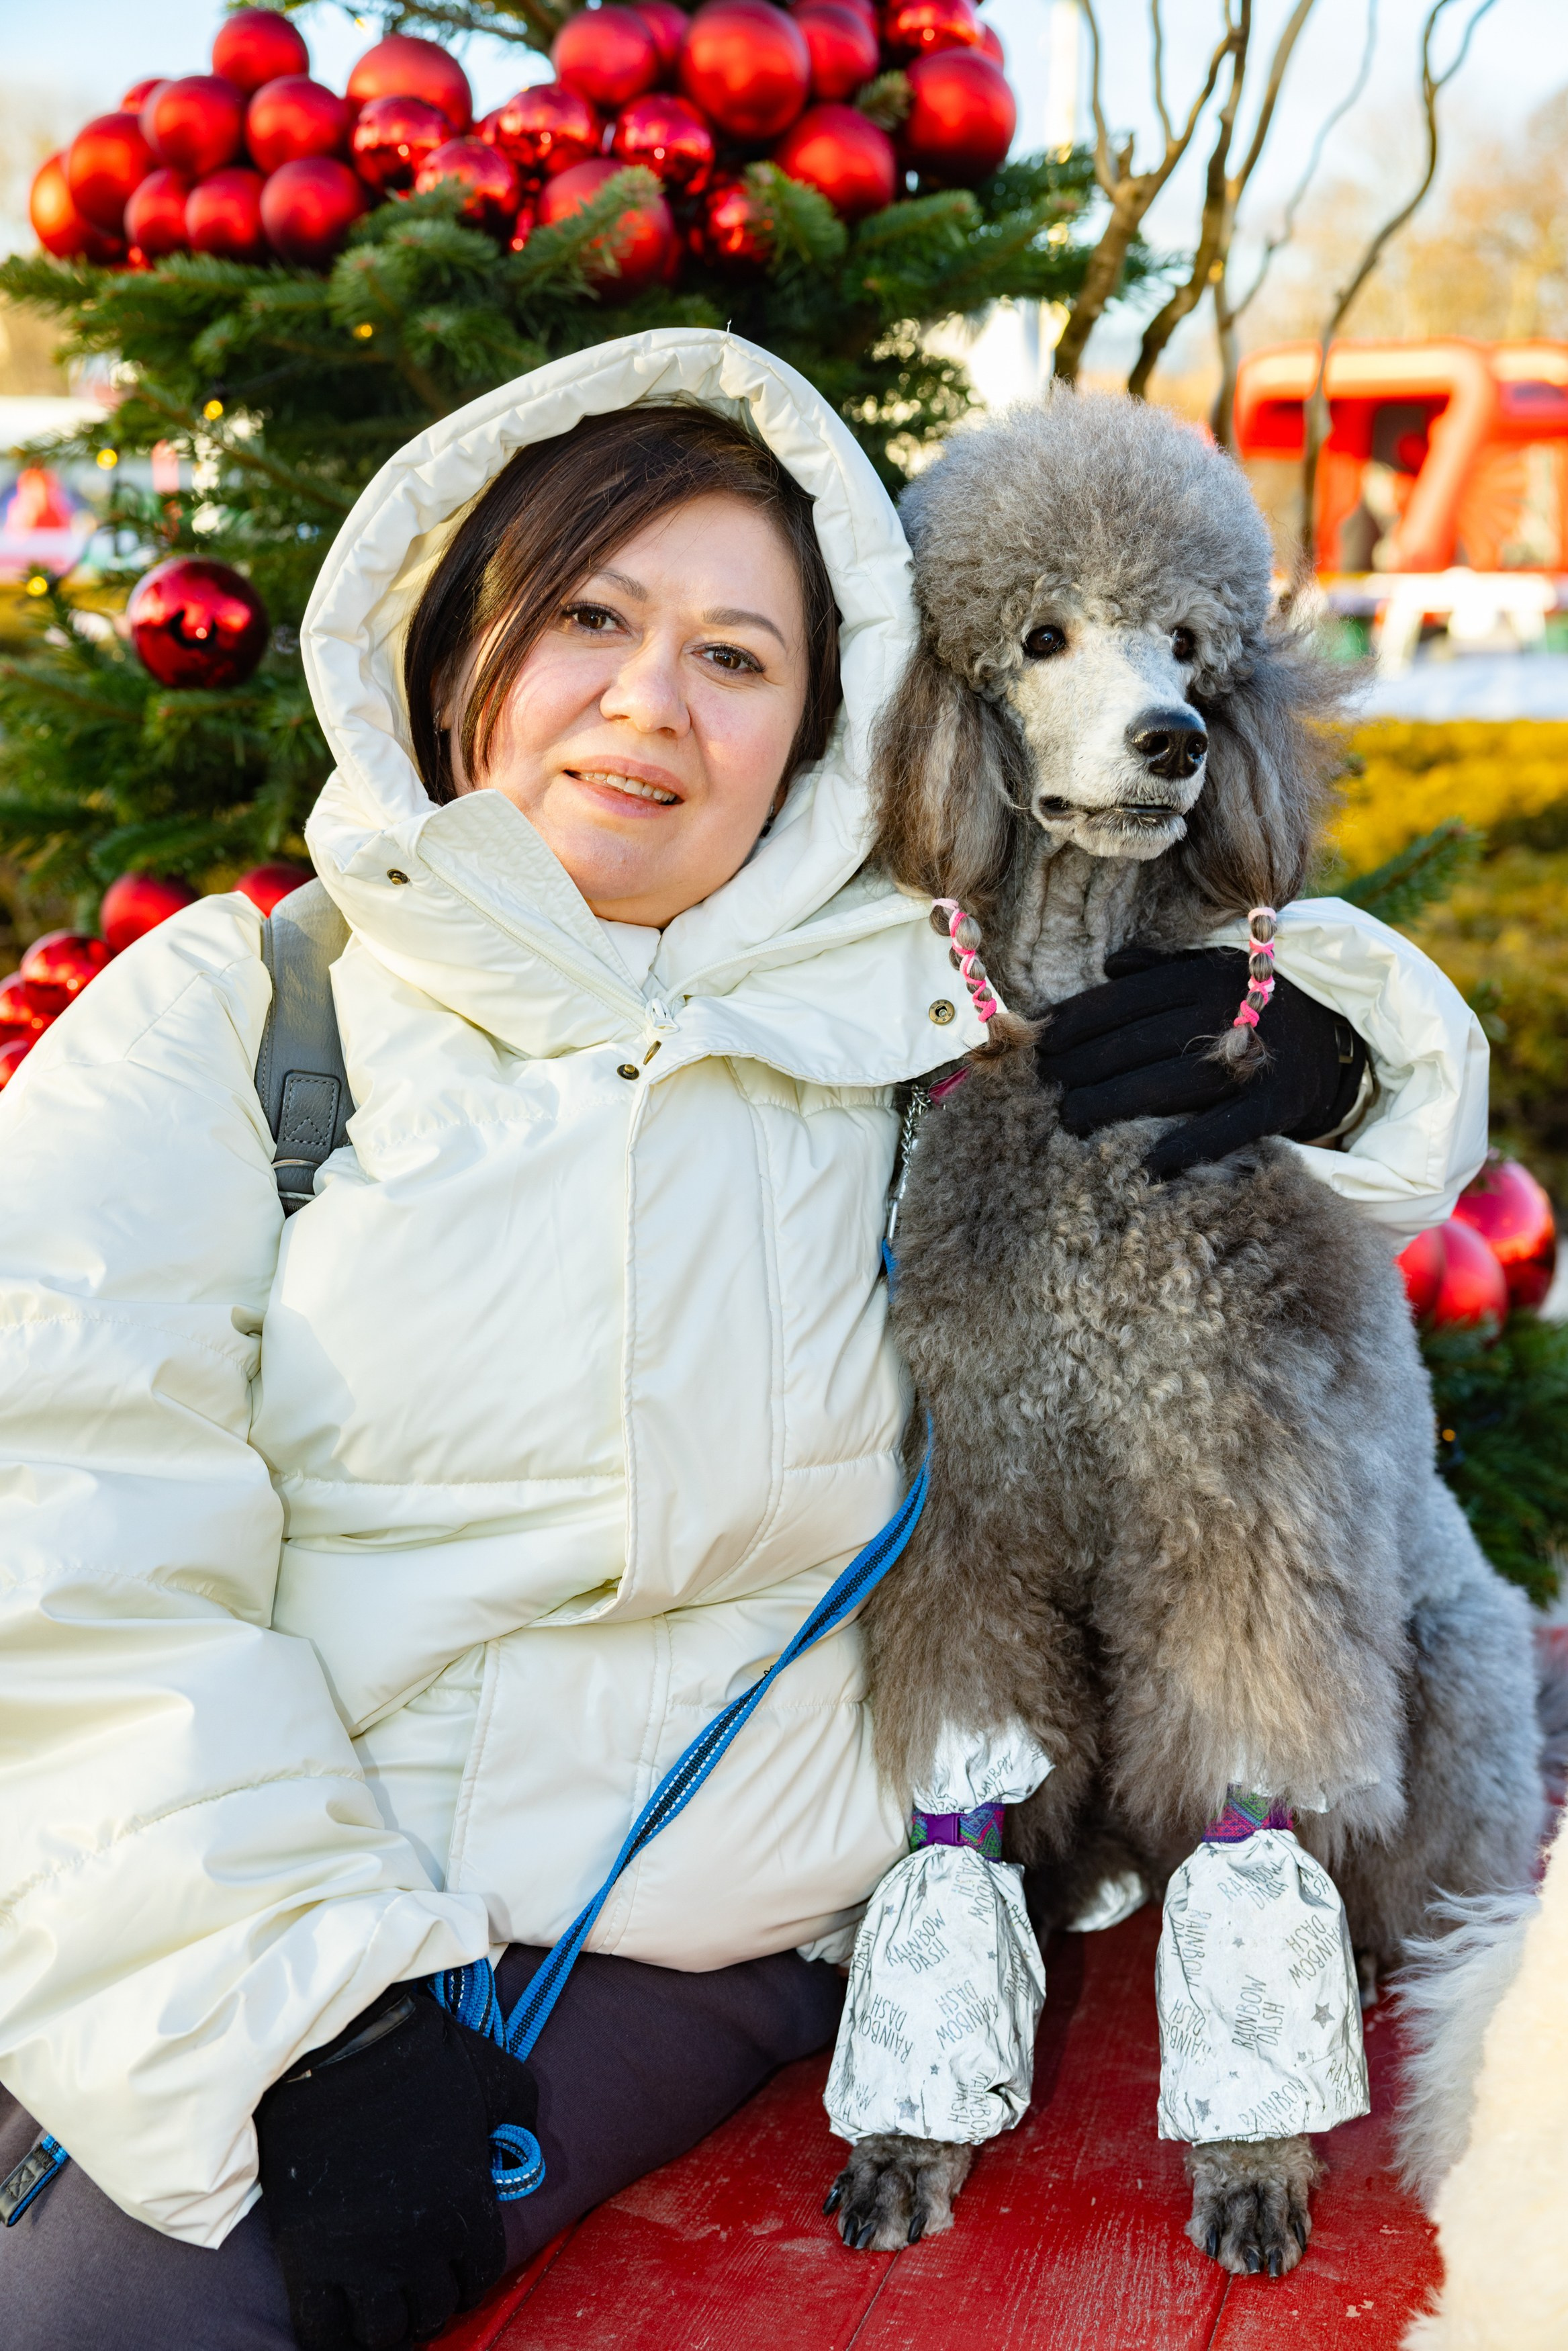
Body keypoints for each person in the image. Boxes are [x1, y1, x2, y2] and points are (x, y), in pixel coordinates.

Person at [0, 329, 1487, 2351]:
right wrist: (302, 2009)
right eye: (591, 617)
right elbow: (61, 1552)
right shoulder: (236, 1013)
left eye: (736, 655)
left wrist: (1348, 1047)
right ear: (462, 638)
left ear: (822, 724)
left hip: (681, 1938)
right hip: (278, 1933)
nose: (647, 702)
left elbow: (1210, 1004)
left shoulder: (896, 1021)